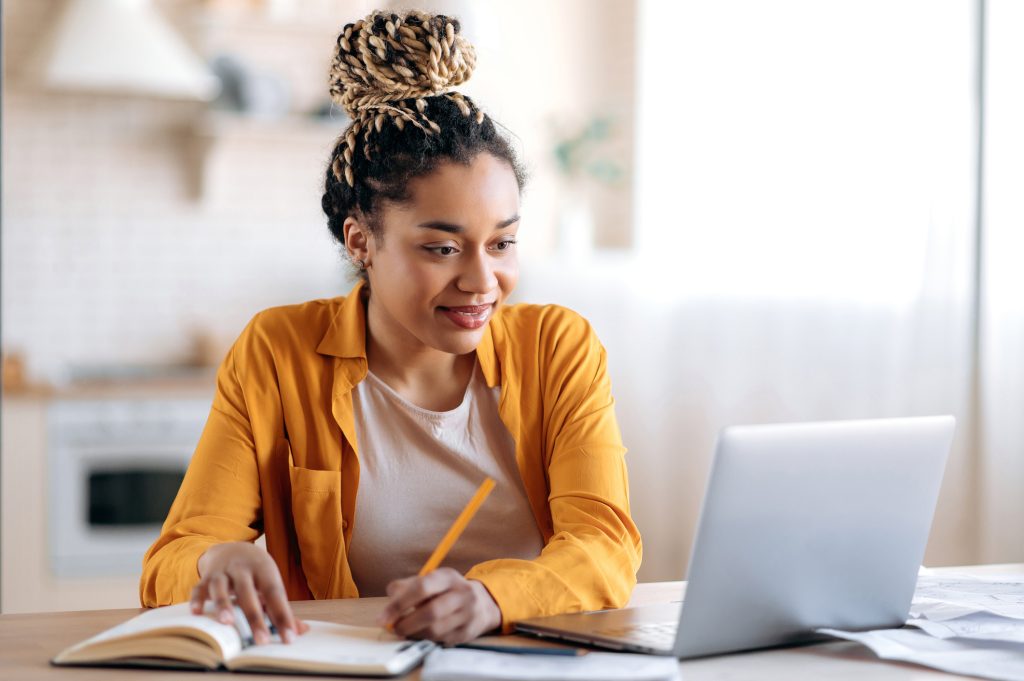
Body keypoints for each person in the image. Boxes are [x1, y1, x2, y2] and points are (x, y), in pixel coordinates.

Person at [140, 8, 641, 647]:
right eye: (442, 248)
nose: (482, 281)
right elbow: (171, 560)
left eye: (503, 243)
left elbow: (606, 545)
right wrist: (215, 561)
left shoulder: (558, 348)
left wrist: (491, 599)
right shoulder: (278, 352)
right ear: (361, 241)